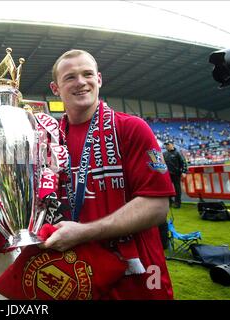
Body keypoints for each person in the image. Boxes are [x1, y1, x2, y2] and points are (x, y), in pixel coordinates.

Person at [40, 49, 175, 299]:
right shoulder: (48, 140)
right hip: (74, 274)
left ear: (99, 79)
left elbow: (157, 206)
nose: (81, 82)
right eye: (70, 77)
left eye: (87, 74)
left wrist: (83, 232)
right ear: (55, 88)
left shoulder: (132, 128)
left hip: (137, 277)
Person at [163, 140, 188, 208]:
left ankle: (177, 203)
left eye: (168, 144)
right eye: (166, 145)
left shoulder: (178, 153)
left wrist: (184, 172)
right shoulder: (164, 154)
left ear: (172, 145)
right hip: (167, 174)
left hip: (176, 174)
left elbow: (184, 163)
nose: (167, 146)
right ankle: (170, 202)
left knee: (177, 189)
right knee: (168, 188)